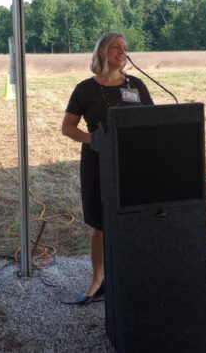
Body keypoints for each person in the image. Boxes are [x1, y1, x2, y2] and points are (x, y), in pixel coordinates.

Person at [62, 32, 153, 304]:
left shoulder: (136, 85)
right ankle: (98, 281)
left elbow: (152, 119)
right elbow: (67, 128)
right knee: (100, 224)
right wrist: (96, 139)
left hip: (133, 162)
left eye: (125, 48)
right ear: (102, 52)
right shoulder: (85, 89)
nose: (122, 52)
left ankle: (130, 275)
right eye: (115, 47)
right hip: (97, 162)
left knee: (132, 219)